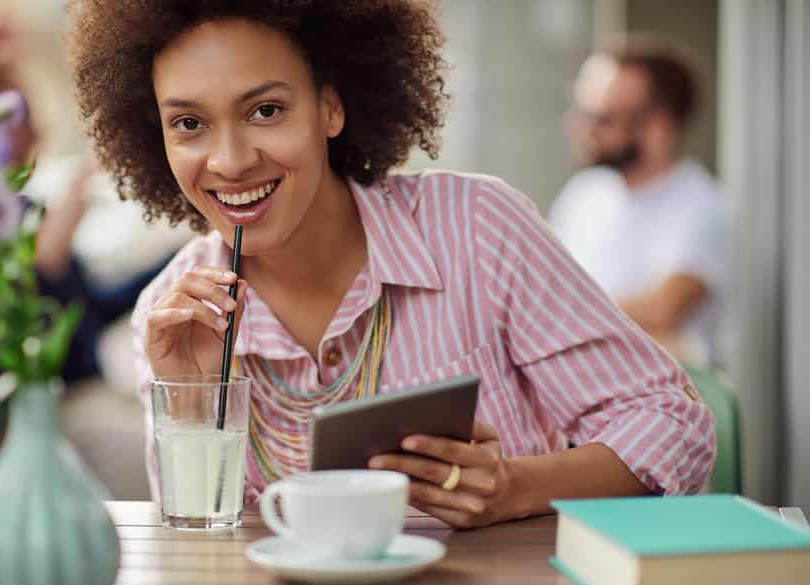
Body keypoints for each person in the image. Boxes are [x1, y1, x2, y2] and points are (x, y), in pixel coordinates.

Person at [67, 1, 714, 529]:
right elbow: (200, 560)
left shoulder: (475, 228)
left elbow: (673, 422)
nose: (230, 160)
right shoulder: (172, 311)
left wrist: (515, 486)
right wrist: (195, 402)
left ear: (330, 106)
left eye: (265, 110)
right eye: (188, 123)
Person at [0, 60, 170, 464]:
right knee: (174, 460)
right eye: (17, 111)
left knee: (183, 436)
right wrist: (39, 267)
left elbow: (86, 307)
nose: (38, 128)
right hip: (18, 429)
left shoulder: (20, 212)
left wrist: (177, 262)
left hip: (84, 408)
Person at [550, 36, 729, 366]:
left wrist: (557, 311)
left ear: (658, 127)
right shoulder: (583, 194)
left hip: (667, 397)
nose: (580, 128)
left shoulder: (699, 202)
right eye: (581, 111)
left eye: (602, 118)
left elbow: (664, 309)